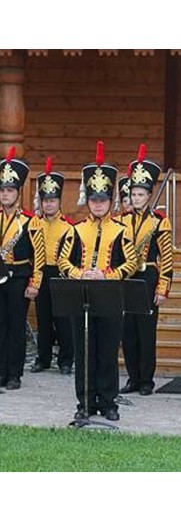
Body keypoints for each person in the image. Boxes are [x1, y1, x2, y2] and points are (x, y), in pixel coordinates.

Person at [58, 141, 137, 421]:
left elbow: (131, 263)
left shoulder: (122, 230)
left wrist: (106, 274)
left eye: (103, 200)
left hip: (110, 297)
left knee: (107, 352)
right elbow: (63, 262)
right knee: (85, 353)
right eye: (94, 200)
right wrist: (80, 274)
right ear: (88, 200)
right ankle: (85, 402)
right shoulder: (75, 230)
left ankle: (109, 401)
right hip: (81, 296)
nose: (99, 204)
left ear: (109, 201)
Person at [119, 144, 173, 396]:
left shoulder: (160, 221)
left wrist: (163, 288)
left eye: (141, 194)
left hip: (149, 276)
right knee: (127, 330)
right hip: (126, 277)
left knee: (145, 330)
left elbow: (168, 258)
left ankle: (146, 380)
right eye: (133, 194)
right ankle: (132, 377)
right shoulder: (121, 221)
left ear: (149, 196)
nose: (137, 199)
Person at [0, 146, 45, 390]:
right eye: (2, 190)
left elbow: (39, 255)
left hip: (19, 277)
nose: (5, 195)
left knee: (16, 327)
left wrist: (35, 283)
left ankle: (14, 374)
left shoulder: (30, 220)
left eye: (9, 190)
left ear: (18, 192)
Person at [30, 157, 75, 375]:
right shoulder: (33, 223)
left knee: (63, 318)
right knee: (43, 317)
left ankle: (66, 360)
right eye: (45, 200)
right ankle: (43, 358)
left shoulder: (69, 226)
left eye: (53, 200)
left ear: (59, 201)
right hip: (41, 272)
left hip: (61, 274)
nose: (49, 203)